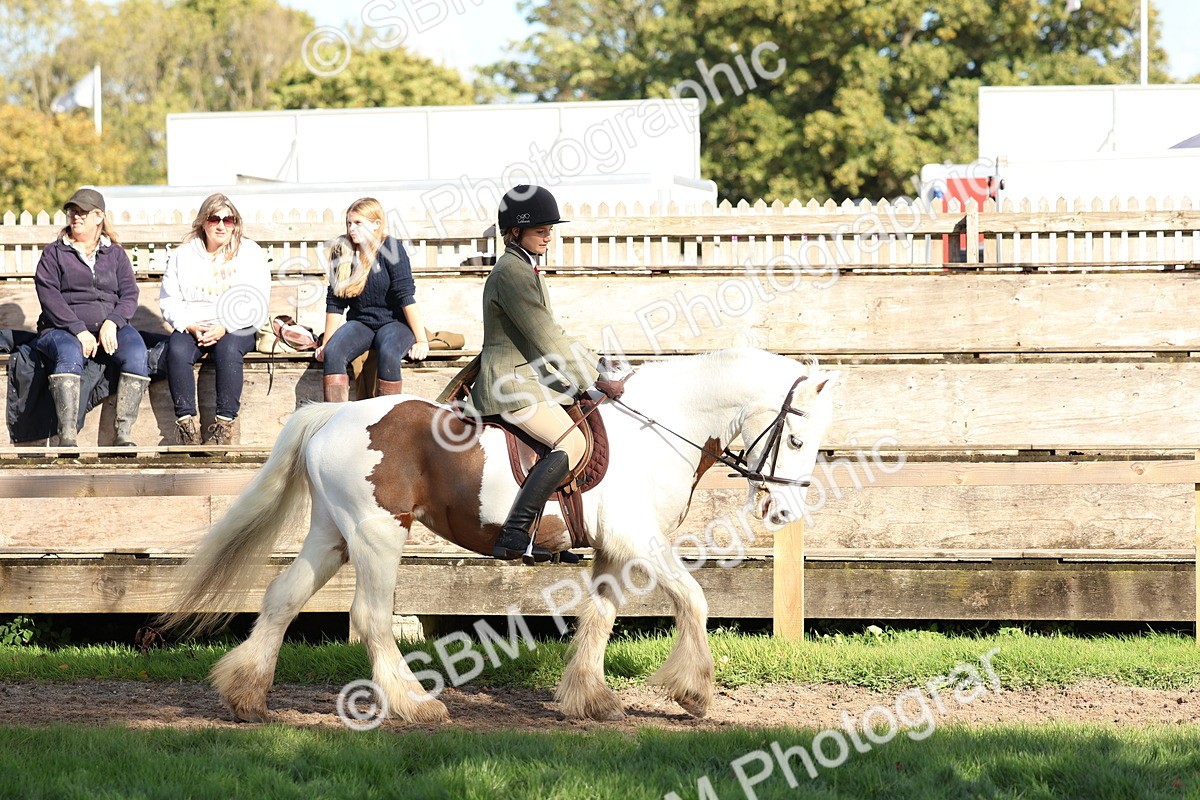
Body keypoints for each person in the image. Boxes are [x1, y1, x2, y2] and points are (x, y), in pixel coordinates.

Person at [468, 185, 624, 560]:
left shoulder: (525, 268)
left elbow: (554, 331)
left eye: (550, 229)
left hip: (532, 380)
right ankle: (516, 533)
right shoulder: (512, 274)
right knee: (572, 443)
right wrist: (595, 378)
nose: (548, 236)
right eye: (541, 230)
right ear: (516, 231)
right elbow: (546, 334)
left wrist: (597, 363)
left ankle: (551, 536)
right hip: (511, 386)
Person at [34, 187, 149, 447]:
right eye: (72, 211)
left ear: (99, 217)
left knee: (137, 353)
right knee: (69, 354)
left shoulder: (115, 254)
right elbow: (49, 297)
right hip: (60, 329)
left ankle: (123, 434)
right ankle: (67, 435)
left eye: (82, 212)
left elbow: (130, 294)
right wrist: (78, 329)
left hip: (109, 325)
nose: (76, 217)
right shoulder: (54, 253)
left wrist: (113, 322)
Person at [159, 193, 270, 445]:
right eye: (214, 218)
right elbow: (169, 298)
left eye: (228, 220)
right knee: (176, 350)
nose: (221, 225)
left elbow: (257, 298)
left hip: (237, 323)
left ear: (235, 224)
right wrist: (188, 324)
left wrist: (226, 326)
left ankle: (223, 426)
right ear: (203, 222)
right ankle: (186, 426)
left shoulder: (249, 252)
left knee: (229, 350)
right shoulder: (183, 255)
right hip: (194, 324)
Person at [315, 197, 429, 401]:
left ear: (376, 224)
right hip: (361, 323)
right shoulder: (342, 250)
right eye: (349, 223)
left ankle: (387, 419)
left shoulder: (391, 248)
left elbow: (405, 296)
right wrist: (325, 342)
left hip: (394, 323)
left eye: (358, 223)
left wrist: (421, 340)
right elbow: (335, 302)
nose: (352, 228)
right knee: (333, 353)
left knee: (388, 353)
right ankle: (333, 418)